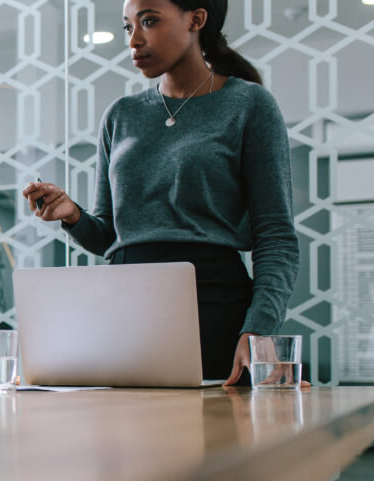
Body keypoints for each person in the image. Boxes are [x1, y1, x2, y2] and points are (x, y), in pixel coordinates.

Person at [21, 0, 298, 385]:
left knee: (214, 439)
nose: (134, 40)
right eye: (127, 27)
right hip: (122, 308)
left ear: (196, 19)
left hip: (213, 307)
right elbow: (110, 238)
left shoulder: (249, 104)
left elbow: (276, 237)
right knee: (124, 439)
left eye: (149, 22)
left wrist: (259, 328)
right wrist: (73, 215)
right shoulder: (121, 114)